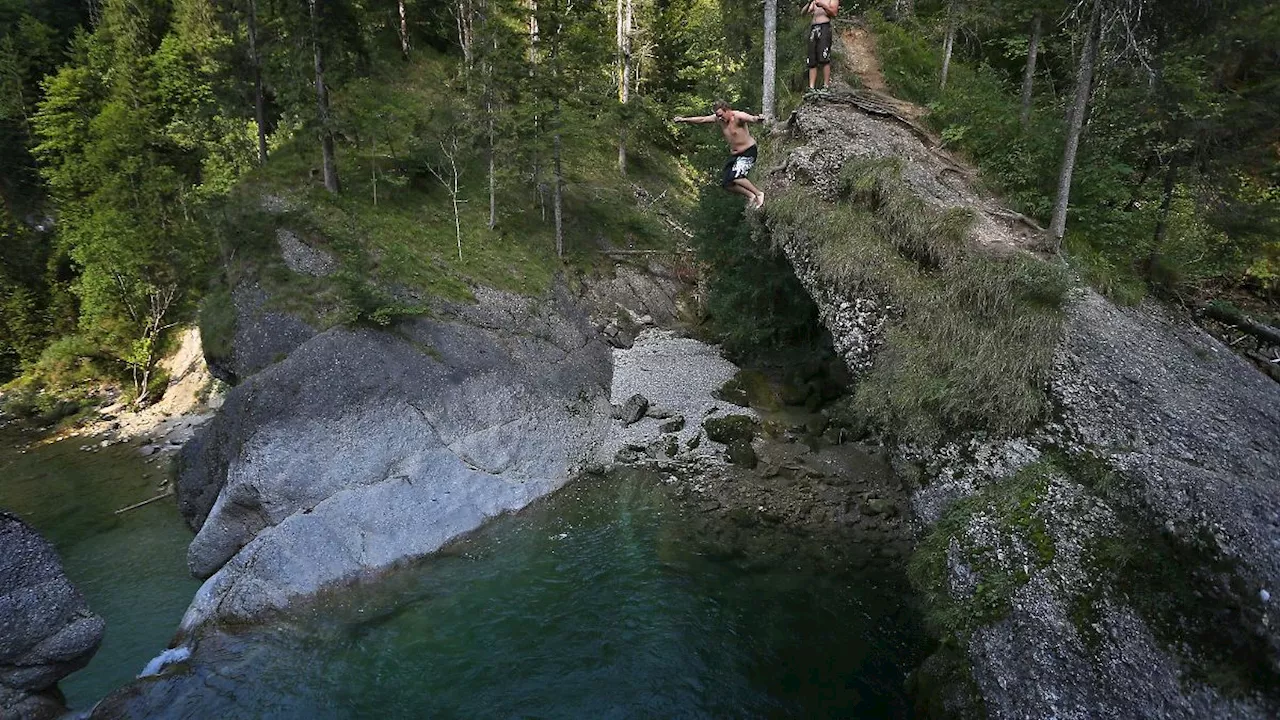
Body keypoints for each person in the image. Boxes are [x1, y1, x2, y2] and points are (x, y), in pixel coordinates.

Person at [673, 100, 767, 209]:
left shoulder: (738, 116)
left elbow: (751, 118)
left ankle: (759, 194)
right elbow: (702, 119)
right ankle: (751, 195)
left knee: (736, 177)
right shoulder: (719, 119)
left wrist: (758, 118)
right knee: (727, 183)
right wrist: (683, 119)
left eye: (721, 115)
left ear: (727, 110)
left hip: (748, 152)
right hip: (735, 156)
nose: (720, 118)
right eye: (718, 116)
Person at [803, 0, 839, 92]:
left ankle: (826, 86)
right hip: (813, 28)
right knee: (812, 59)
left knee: (824, 57)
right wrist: (808, 3)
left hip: (824, 27)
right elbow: (803, 13)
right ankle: (811, 87)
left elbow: (834, 13)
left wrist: (823, 5)